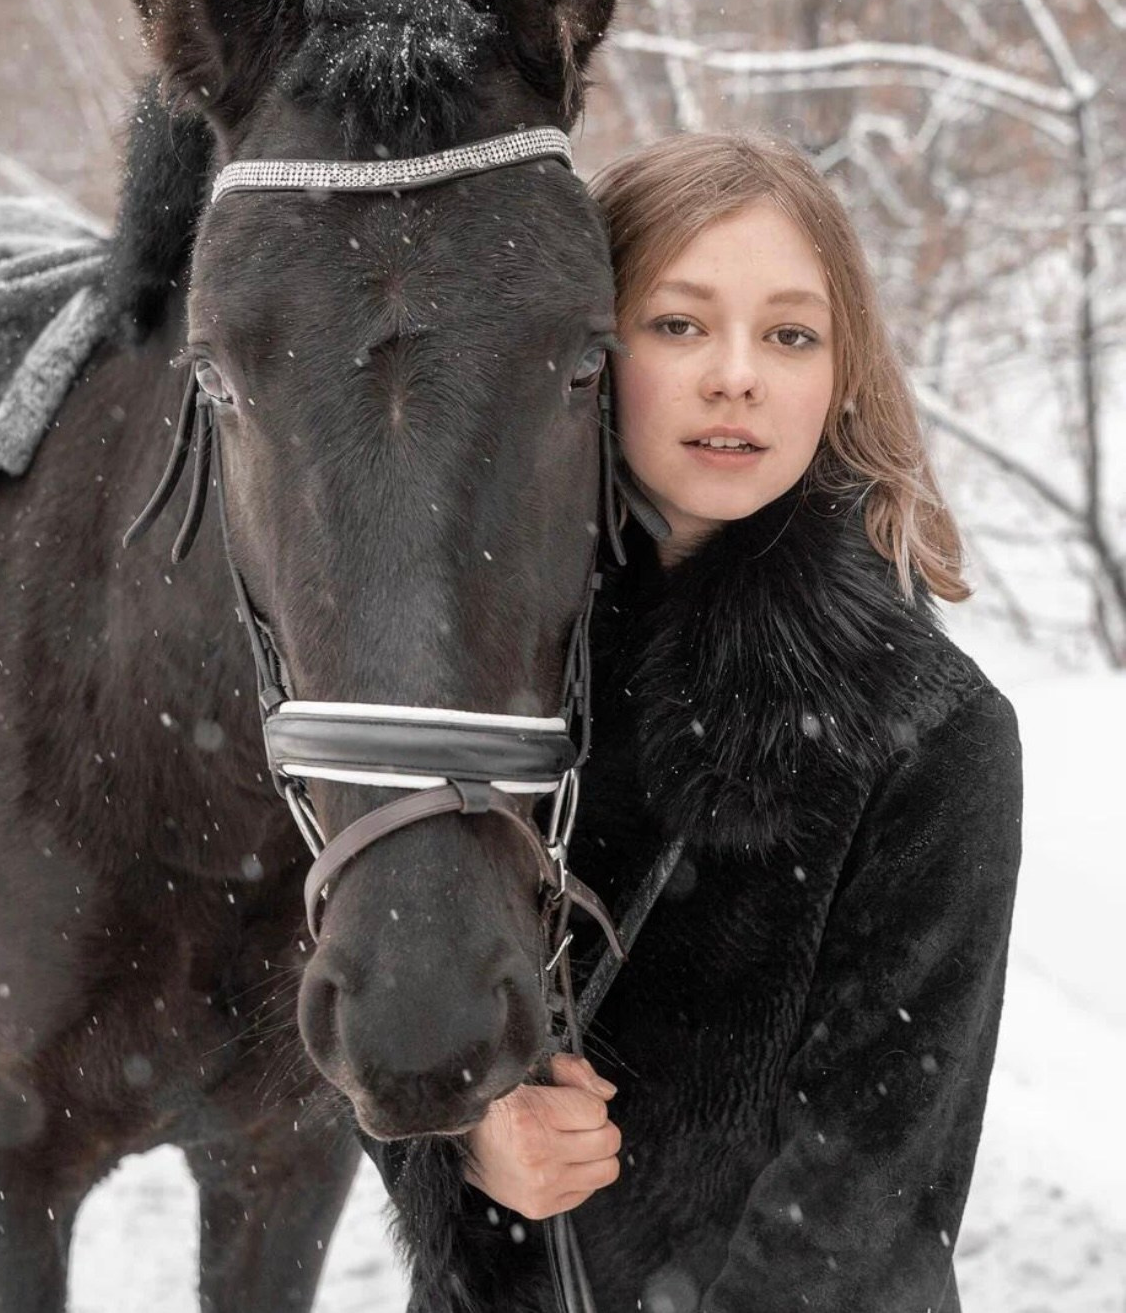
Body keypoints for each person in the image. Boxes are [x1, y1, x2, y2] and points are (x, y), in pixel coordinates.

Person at [366, 131, 1022, 1313]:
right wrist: (463, 1142)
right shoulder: (476, 685)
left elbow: (869, 1195)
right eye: (678, 324)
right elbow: (376, 993)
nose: (738, 376)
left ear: (842, 373)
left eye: (789, 334)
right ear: (592, 354)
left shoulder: (929, 733)